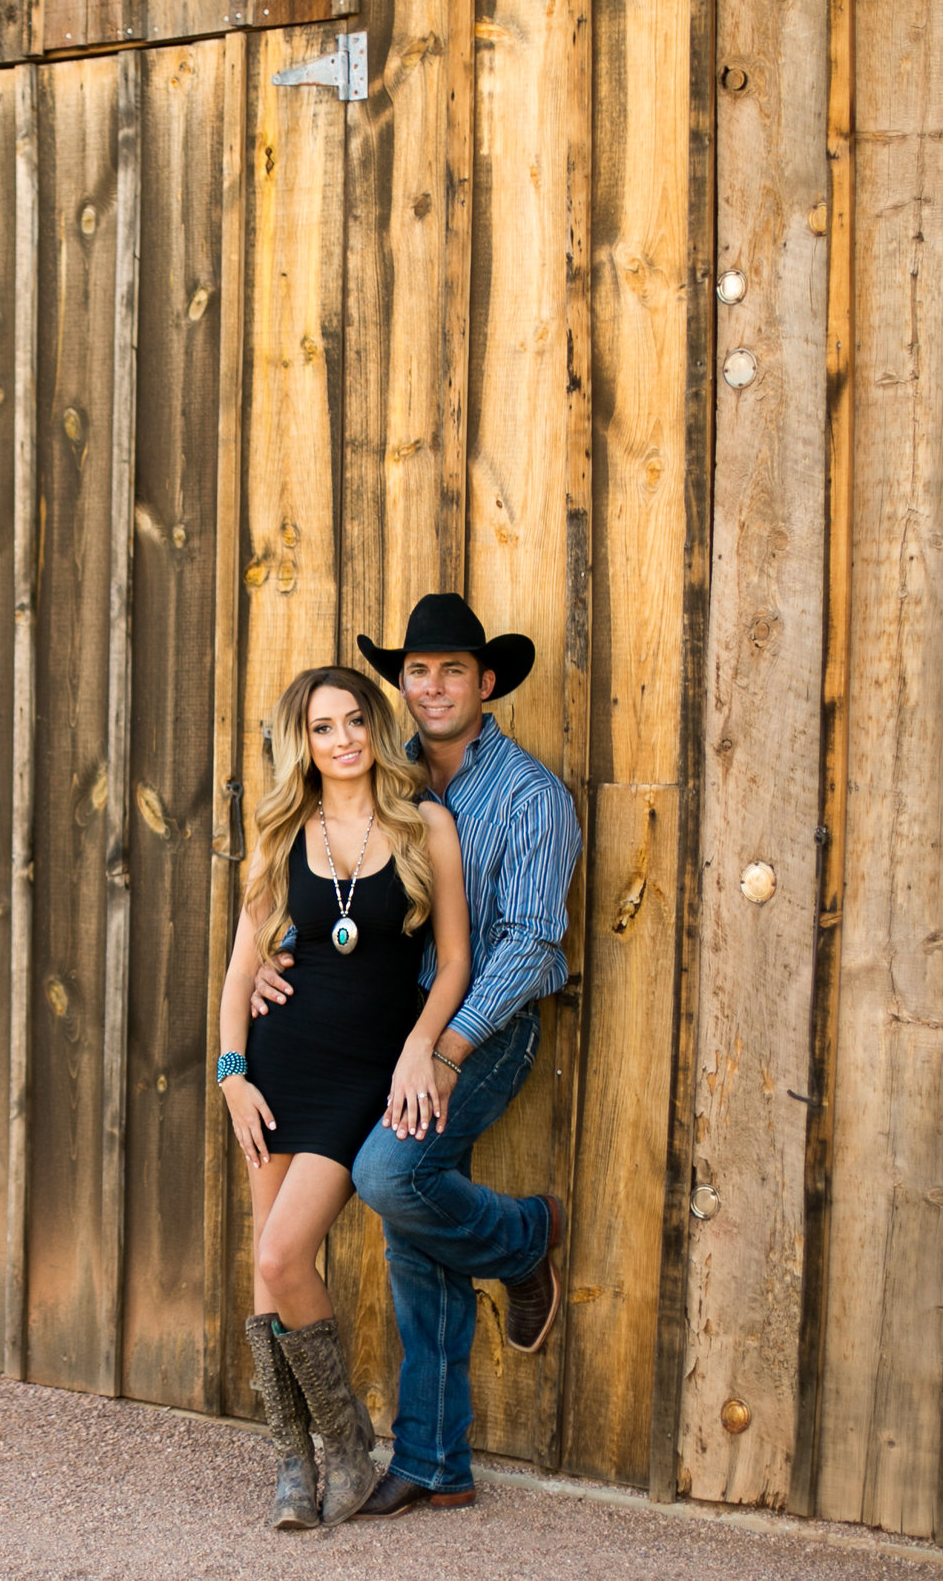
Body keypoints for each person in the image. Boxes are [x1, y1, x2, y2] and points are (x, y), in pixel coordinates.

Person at [251, 593, 580, 1520]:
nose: (433, 686)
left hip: (484, 1029)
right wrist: (282, 954)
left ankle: (524, 1240)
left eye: (453, 670)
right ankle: (435, 1461)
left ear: (486, 683)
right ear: (403, 684)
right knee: (409, 1215)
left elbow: (528, 944)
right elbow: (324, 885)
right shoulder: (382, 777)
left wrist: (444, 1047)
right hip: (386, 1038)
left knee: (393, 1173)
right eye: (418, 670)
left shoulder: (530, 797)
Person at [214, 665, 471, 1529]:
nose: (345, 740)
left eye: (356, 720)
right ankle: (295, 1464)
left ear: (374, 726)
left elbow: (457, 964)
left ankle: (349, 1446)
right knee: (268, 1270)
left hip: (365, 1075)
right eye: (324, 728)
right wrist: (232, 1078)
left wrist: (418, 1046)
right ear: (305, 743)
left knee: (285, 1257)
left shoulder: (424, 824)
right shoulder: (284, 831)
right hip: (278, 1072)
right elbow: (239, 973)